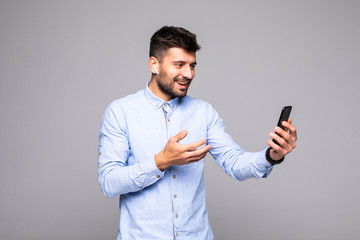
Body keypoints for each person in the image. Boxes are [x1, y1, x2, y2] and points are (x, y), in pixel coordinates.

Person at [98, 26, 297, 240]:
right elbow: (109, 182)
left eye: (192, 65)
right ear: (154, 65)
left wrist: (272, 156)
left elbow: (235, 163)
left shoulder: (204, 112)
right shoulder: (120, 112)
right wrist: (160, 162)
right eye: (179, 65)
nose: (189, 74)